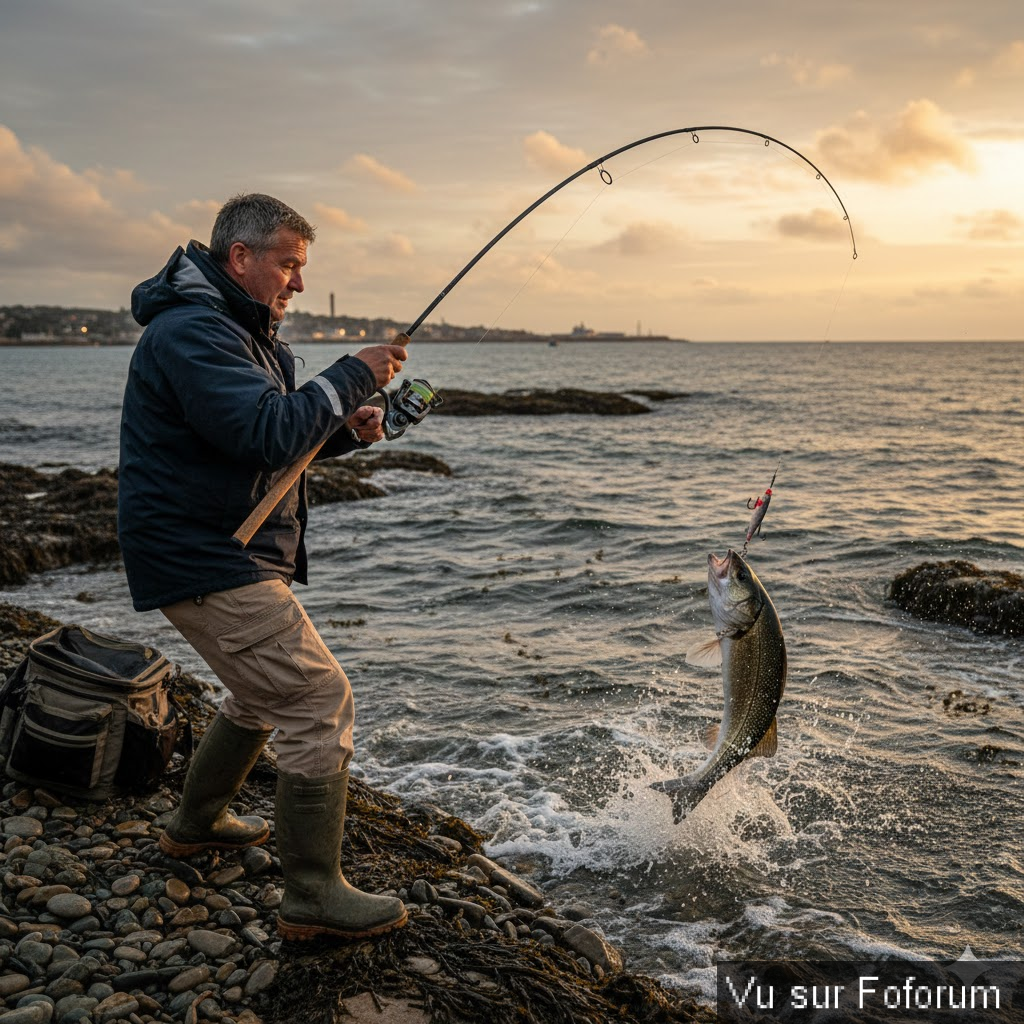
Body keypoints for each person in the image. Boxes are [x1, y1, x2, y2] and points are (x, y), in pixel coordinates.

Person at [118, 192, 409, 941]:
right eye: (289, 264)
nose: (298, 284)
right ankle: (312, 894)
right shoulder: (193, 332)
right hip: (203, 552)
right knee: (317, 700)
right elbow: (260, 429)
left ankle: (196, 820)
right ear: (239, 257)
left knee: (260, 692)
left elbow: (262, 441)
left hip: (216, 544)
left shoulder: (235, 331)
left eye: (302, 268)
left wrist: (343, 430)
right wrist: (349, 374)